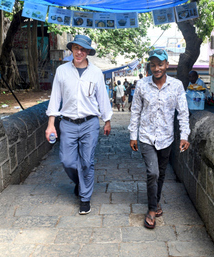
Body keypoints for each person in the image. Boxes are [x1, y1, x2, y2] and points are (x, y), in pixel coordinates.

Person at [45, 35, 112, 215]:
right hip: (67, 123)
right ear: (71, 49)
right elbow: (55, 98)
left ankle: (84, 198)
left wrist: (107, 120)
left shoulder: (96, 73)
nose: (79, 52)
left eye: (83, 49)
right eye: (76, 48)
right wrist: (51, 124)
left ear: (88, 51)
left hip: (89, 123)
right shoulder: (62, 71)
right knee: (67, 160)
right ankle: (80, 183)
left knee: (87, 161)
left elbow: (102, 99)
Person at [128, 49, 190, 229]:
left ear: (166, 65)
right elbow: (136, 111)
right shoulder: (141, 85)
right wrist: (133, 135)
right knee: (153, 172)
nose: (156, 68)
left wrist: (184, 135)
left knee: (161, 174)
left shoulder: (177, 86)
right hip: (146, 136)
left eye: (160, 64)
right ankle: (152, 210)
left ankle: (156, 201)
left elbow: (183, 113)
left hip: (167, 138)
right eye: (153, 65)